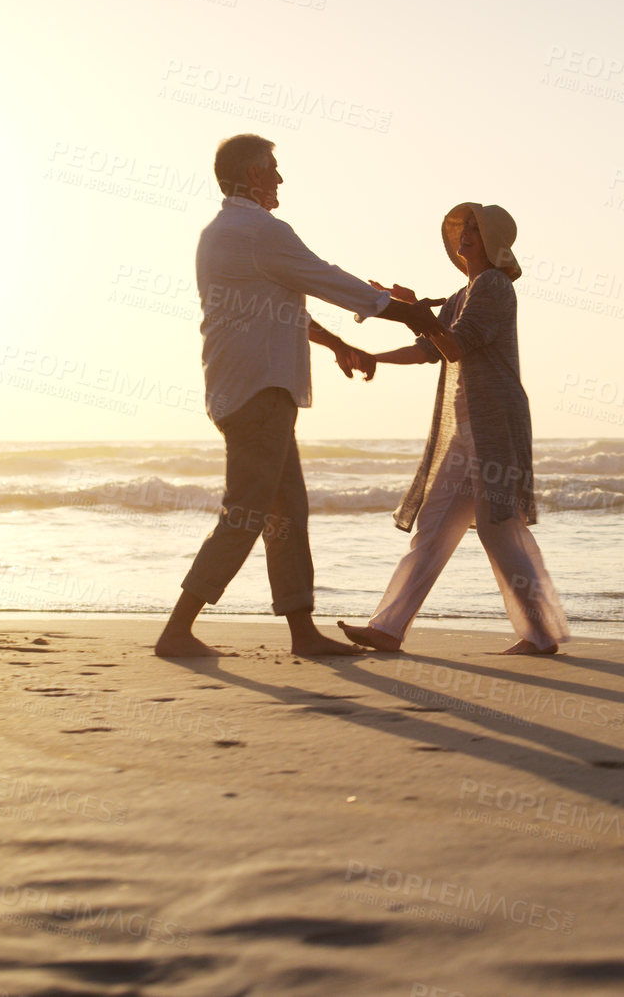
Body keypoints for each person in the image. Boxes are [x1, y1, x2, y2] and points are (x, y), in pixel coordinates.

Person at [155, 134, 452, 658]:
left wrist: (338, 343)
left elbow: (280, 304)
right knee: (247, 511)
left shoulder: (220, 233)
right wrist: (413, 314)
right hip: (260, 389)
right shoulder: (260, 232)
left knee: (286, 510)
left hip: (244, 387)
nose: (280, 178)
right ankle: (177, 630)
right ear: (251, 174)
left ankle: (301, 633)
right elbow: (326, 279)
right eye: (272, 168)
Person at [337, 203, 571, 656]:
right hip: (466, 427)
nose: (466, 235)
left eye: (476, 230)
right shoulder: (463, 294)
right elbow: (429, 348)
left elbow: (455, 345)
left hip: (495, 423)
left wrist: (413, 310)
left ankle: (541, 635)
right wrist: (375, 356)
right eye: (463, 229)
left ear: (495, 240)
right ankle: (387, 629)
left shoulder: (494, 286)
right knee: (435, 524)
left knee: (496, 525)